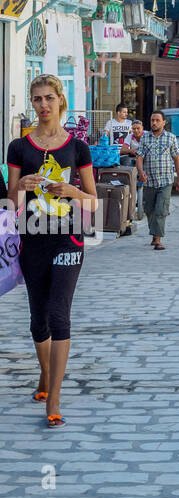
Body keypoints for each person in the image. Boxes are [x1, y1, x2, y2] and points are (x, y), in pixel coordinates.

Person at [6, 74, 96, 428]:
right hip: (31, 239)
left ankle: (54, 398)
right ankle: (45, 374)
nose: (43, 105)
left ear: (61, 100)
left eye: (49, 98)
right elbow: (10, 203)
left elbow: (92, 200)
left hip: (68, 238)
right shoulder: (19, 147)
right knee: (38, 321)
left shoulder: (78, 148)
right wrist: (22, 187)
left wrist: (71, 192)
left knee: (60, 316)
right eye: (37, 99)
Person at [138, 111, 179, 250]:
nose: (154, 123)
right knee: (149, 210)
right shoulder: (145, 138)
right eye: (152, 120)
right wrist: (141, 172)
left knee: (161, 210)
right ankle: (154, 234)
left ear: (164, 122)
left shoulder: (171, 138)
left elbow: (176, 159)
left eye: (157, 120)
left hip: (166, 181)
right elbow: (140, 157)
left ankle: (158, 240)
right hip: (149, 181)